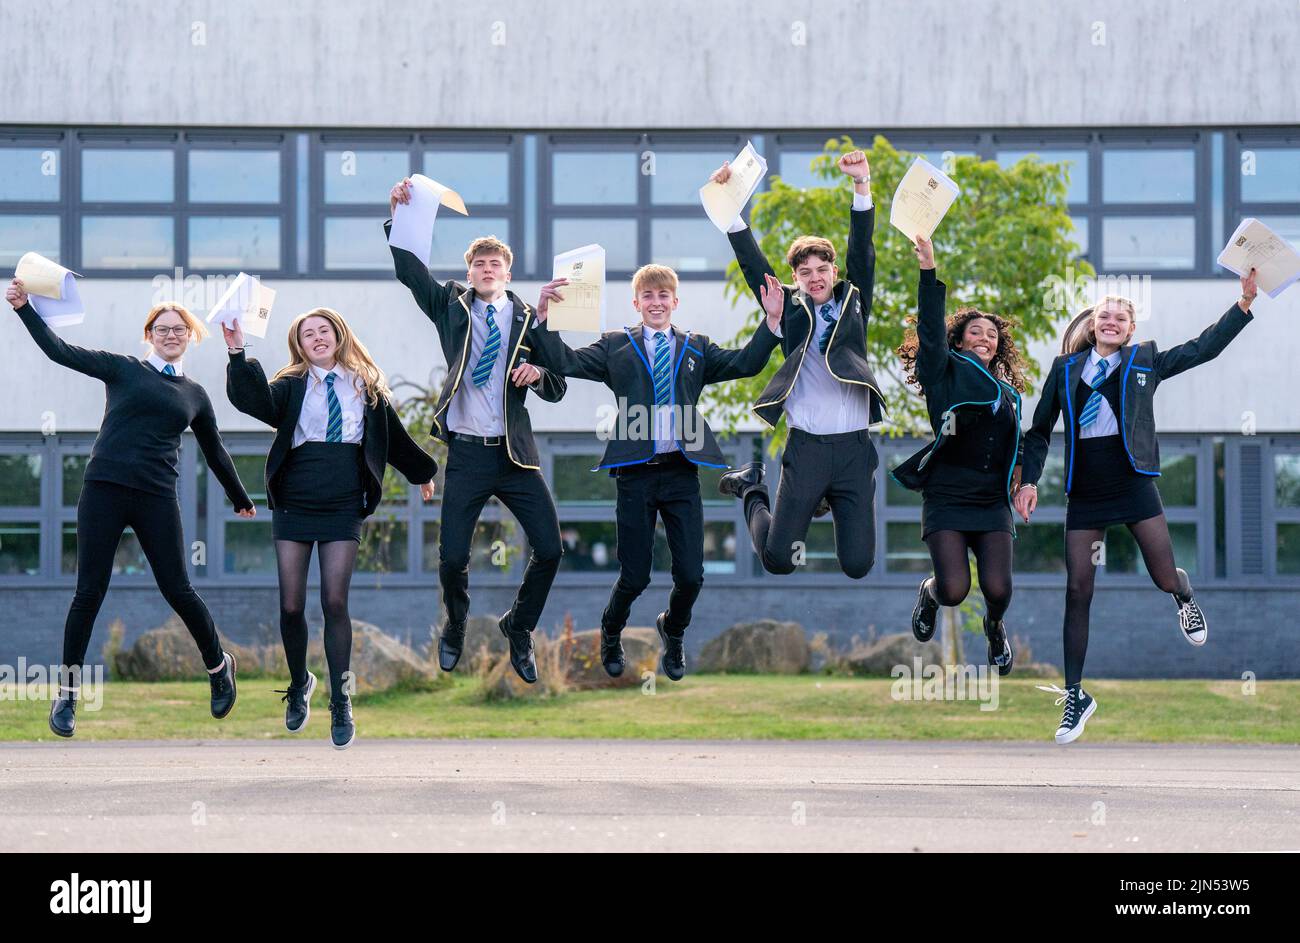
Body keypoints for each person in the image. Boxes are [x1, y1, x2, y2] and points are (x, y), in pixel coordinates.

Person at [1017, 269, 1259, 743]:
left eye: (1120, 318)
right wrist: (1028, 480)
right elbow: (1039, 430)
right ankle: (1074, 696)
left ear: (1131, 330)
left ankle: (1184, 598)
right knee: (1078, 591)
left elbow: (1201, 348)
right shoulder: (1065, 369)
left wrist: (1243, 305)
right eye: (1104, 315)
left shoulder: (1145, 361)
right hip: (1086, 490)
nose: (1111, 321)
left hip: (1133, 484)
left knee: (1163, 575)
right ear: (1092, 325)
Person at [6, 278, 254, 738]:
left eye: (180, 328)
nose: (171, 334)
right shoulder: (122, 369)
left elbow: (215, 451)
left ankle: (219, 667)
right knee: (88, 593)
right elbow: (60, 351)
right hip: (103, 489)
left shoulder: (195, 395)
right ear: (149, 335)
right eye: (162, 328)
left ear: (190, 335)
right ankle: (68, 694)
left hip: (157, 496)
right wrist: (24, 309)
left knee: (178, 589)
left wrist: (240, 498)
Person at [530, 263, 781, 680]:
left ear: (675, 302)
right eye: (648, 296)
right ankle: (611, 630)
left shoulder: (696, 348)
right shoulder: (615, 346)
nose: (656, 302)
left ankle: (674, 630)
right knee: (635, 575)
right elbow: (566, 362)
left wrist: (771, 321)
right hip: (635, 474)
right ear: (637, 303)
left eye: (663, 296)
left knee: (691, 576)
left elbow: (745, 363)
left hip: (681, 473)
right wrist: (541, 319)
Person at [225, 309, 437, 749]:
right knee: (290, 605)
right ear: (299, 345)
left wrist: (420, 472)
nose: (317, 338)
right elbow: (254, 401)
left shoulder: (366, 386)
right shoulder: (291, 385)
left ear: (339, 336)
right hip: (295, 498)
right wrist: (236, 351)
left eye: (324, 331)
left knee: (335, 601)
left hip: (343, 500)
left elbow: (393, 438)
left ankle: (340, 701)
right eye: (308, 334)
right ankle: (300, 681)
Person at [386, 178, 567, 684]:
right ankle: (458, 622)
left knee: (550, 549)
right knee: (451, 559)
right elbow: (407, 269)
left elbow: (557, 386)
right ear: (469, 272)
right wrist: (399, 214)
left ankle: (519, 626)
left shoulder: (532, 318)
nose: (487, 271)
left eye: (495, 265)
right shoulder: (451, 304)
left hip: (514, 456)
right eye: (479, 265)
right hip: (466, 453)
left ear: (508, 273)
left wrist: (538, 373)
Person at [714, 150, 885, 579]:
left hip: (853, 450)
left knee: (859, 565)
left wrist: (861, 183)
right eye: (804, 272)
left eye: (821, 268)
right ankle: (751, 486)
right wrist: (731, 212)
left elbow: (862, 250)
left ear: (833, 270)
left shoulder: (854, 301)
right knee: (778, 561)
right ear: (796, 278)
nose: (814, 277)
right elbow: (756, 268)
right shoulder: (787, 308)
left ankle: (837, 495)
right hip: (806, 448)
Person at [892, 236, 1027, 675]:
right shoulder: (943, 372)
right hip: (948, 496)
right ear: (960, 339)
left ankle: (994, 627)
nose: (985, 338)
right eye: (975, 332)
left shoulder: (1007, 394)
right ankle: (929, 593)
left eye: (992, 334)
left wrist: (1024, 481)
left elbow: (1016, 444)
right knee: (954, 590)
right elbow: (930, 332)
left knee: (998, 589)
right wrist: (928, 270)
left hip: (990, 501)